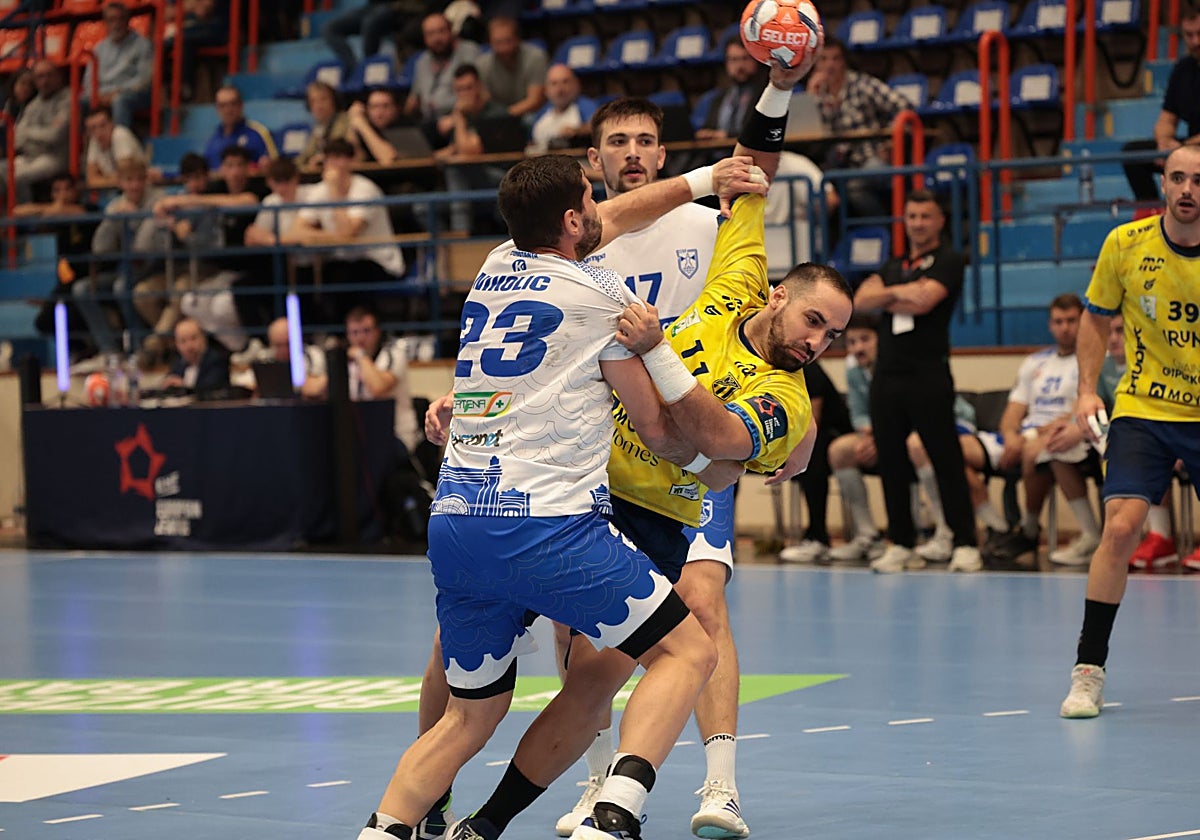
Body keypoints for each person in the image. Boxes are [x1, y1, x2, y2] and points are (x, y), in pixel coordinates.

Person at [433, 65, 852, 840]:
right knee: (504, 648)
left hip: (670, 483)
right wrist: (779, 88)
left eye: (646, 141)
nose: (817, 340)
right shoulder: (599, 230)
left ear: (663, 153)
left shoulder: (707, 234)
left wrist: (758, 432)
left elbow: (729, 441)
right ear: (590, 169)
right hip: (575, 469)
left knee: (688, 623)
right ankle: (465, 802)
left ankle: (705, 788)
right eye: (616, 142)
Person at [354, 151, 771, 840]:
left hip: (456, 520)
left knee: (469, 716)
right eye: (589, 198)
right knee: (688, 651)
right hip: (548, 528)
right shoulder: (605, 298)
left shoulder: (491, 266)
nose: (600, 208)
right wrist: (724, 458)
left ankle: (383, 832)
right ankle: (617, 815)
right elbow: (655, 427)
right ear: (574, 217)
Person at [1059, 144, 1200, 719]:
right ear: (1162, 185)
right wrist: (1088, 389)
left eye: (1199, 180)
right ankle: (1088, 671)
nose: (1189, 189)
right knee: (1121, 527)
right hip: (1144, 407)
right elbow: (1095, 317)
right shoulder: (1125, 245)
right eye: (1178, 178)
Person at [853, 190, 982, 573]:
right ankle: (902, 541)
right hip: (887, 378)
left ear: (940, 221)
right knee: (891, 461)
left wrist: (887, 297)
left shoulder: (949, 260)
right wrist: (901, 293)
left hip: (928, 375)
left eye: (926, 216)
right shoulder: (895, 264)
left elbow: (926, 301)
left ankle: (965, 541)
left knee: (945, 459)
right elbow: (861, 300)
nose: (918, 224)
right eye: (912, 216)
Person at [982, 294, 1103, 568]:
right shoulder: (1035, 363)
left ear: (1083, 322)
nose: (1065, 327)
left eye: (1071, 320)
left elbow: (1077, 411)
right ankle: (997, 527)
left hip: (1062, 434)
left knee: (1043, 449)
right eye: (1058, 321)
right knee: (958, 452)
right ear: (1050, 325)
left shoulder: (1094, 357)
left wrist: (1032, 436)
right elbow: (1014, 410)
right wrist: (1012, 435)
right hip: (1027, 434)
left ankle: (1028, 528)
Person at [290, 138, 406, 322]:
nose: (333, 164)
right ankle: (328, 336)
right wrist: (333, 237)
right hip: (342, 261)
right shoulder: (321, 190)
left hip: (377, 260)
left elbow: (349, 233)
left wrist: (335, 192)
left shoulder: (365, 189)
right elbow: (296, 231)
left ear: (351, 161)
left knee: (345, 276)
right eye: (329, 159)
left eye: (339, 158)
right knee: (310, 276)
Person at [805, 36, 911, 219]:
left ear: (844, 62)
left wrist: (889, 145)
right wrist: (809, 97)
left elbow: (904, 107)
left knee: (855, 187)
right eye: (823, 59)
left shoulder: (862, 85)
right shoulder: (816, 92)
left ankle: (884, 232)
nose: (830, 65)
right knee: (809, 189)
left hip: (872, 157)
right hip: (837, 162)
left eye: (835, 59)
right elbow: (807, 132)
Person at [75, 158, 163, 359]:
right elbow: (100, 248)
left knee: (122, 287)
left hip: (153, 268)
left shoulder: (158, 201)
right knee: (82, 290)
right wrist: (112, 221)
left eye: (139, 180)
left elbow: (144, 249)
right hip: (125, 269)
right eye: (129, 180)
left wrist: (133, 219)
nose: (134, 185)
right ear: (120, 183)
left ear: (146, 180)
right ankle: (110, 350)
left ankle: (138, 347)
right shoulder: (116, 206)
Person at [1120, 5, 1200, 203]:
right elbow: (1166, 119)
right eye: (1189, 35)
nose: (1195, 41)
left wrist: (1180, 149)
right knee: (1134, 154)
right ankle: (1153, 218)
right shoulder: (1183, 69)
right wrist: (1165, 143)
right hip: (1188, 149)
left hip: (1190, 148)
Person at [779, 358, 852, 563]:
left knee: (811, 456)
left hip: (834, 434)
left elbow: (812, 422)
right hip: (803, 435)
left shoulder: (808, 370)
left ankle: (817, 537)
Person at [434, 64, 510, 233]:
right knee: (422, 208)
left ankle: (460, 239)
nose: (464, 94)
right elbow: (456, 149)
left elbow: (470, 152)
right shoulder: (462, 116)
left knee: (456, 169)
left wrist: (458, 117)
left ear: (479, 87)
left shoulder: (495, 113)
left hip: (500, 178)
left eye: (469, 88)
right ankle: (443, 252)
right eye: (459, 89)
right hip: (469, 183)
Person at [3, 60, 70, 204]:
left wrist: (29, 133)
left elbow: (55, 136)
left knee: (17, 177)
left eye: (49, 75)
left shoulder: (68, 99)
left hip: (54, 157)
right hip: (29, 157)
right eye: (40, 77)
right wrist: (37, 134)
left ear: (58, 76)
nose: (45, 81)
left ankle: (25, 222)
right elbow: (17, 139)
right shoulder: (33, 105)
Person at [81, 2, 153, 128]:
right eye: (111, 20)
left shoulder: (143, 44)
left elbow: (144, 79)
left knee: (120, 101)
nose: (116, 24)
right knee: (78, 102)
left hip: (131, 93)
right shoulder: (98, 49)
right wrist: (97, 95)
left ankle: (120, 142)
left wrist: (116, 92)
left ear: (127, 20)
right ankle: (81, 145)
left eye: (120, 19)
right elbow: (88, 81)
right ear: (105, 23)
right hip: (101, 94)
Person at [405, 12, 481, 129]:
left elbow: (475, 96)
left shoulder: (468, 52)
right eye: (430, 34)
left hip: (461, 120)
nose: (437, 38)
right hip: (428, 121)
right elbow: (414, 99)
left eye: (441, 31)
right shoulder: (422, 61)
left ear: (452, 31)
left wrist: (455, 118)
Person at [475, 16, 546, 120]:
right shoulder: (482, 64)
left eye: (508, 41)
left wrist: (504, 115)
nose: (504, 48)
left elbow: (535, 101)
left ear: (518, 39)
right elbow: (485, 100)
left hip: (530, 113)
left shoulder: (535, 57)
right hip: (498, 113)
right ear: (490, 43)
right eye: (498, 43)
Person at [694, 39, 766, 141]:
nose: (740, 66)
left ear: (755, 60)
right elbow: (709, 128)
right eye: (734, 60)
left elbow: (761, 132)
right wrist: (705, 133)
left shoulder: (765, 96)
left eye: (745, 58)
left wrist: (727, 136)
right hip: (716, 153)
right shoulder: (718, 98)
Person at [202, 84, 278, 170]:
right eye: (222, 105)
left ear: (241, 105)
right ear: (217, 109)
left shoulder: (259, 133)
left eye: (232, 104)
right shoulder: (213, 140)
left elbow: (275, 168)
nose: (228, 110)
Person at [528, 64, 596, 153]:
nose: (560, 89)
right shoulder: (541, 113)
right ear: (546, 90)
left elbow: (597, 127)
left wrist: (577, 131)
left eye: (565, 82)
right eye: (554, 83)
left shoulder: (586, 106)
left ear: (576, 84)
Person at [85, 104, 147, 188]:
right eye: (93, 128)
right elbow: (91, 180)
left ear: (112, 124)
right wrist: (113, 179)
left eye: (103, 126)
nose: (98, 133)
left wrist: (104, 178)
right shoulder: (94, 141)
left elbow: (127, 176)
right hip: (116, 191)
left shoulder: (120, 135)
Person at [162, 316, 230, 391]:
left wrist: (183, 386)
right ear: (176, 344)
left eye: (193, 338)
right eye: (183, 341)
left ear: (203, 338)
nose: (189, 346)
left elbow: (209, 390)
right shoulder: (178, 363)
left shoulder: (217, 360)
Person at [348, 88, 411, 165]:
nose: (379, 112)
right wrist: (353, 127)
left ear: (396, 109)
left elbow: (389, 160)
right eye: (374, 107)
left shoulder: (405, 127)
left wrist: (362, 124)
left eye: (385, 106)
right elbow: (352, 161)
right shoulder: (367, 128)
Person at [297, 81, 351, 169]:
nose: (318, 106)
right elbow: (306, 156)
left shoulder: (345, 121)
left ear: (334, 101)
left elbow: (336, 149)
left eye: (323, 99)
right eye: (313, 101)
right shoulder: (318, 127)